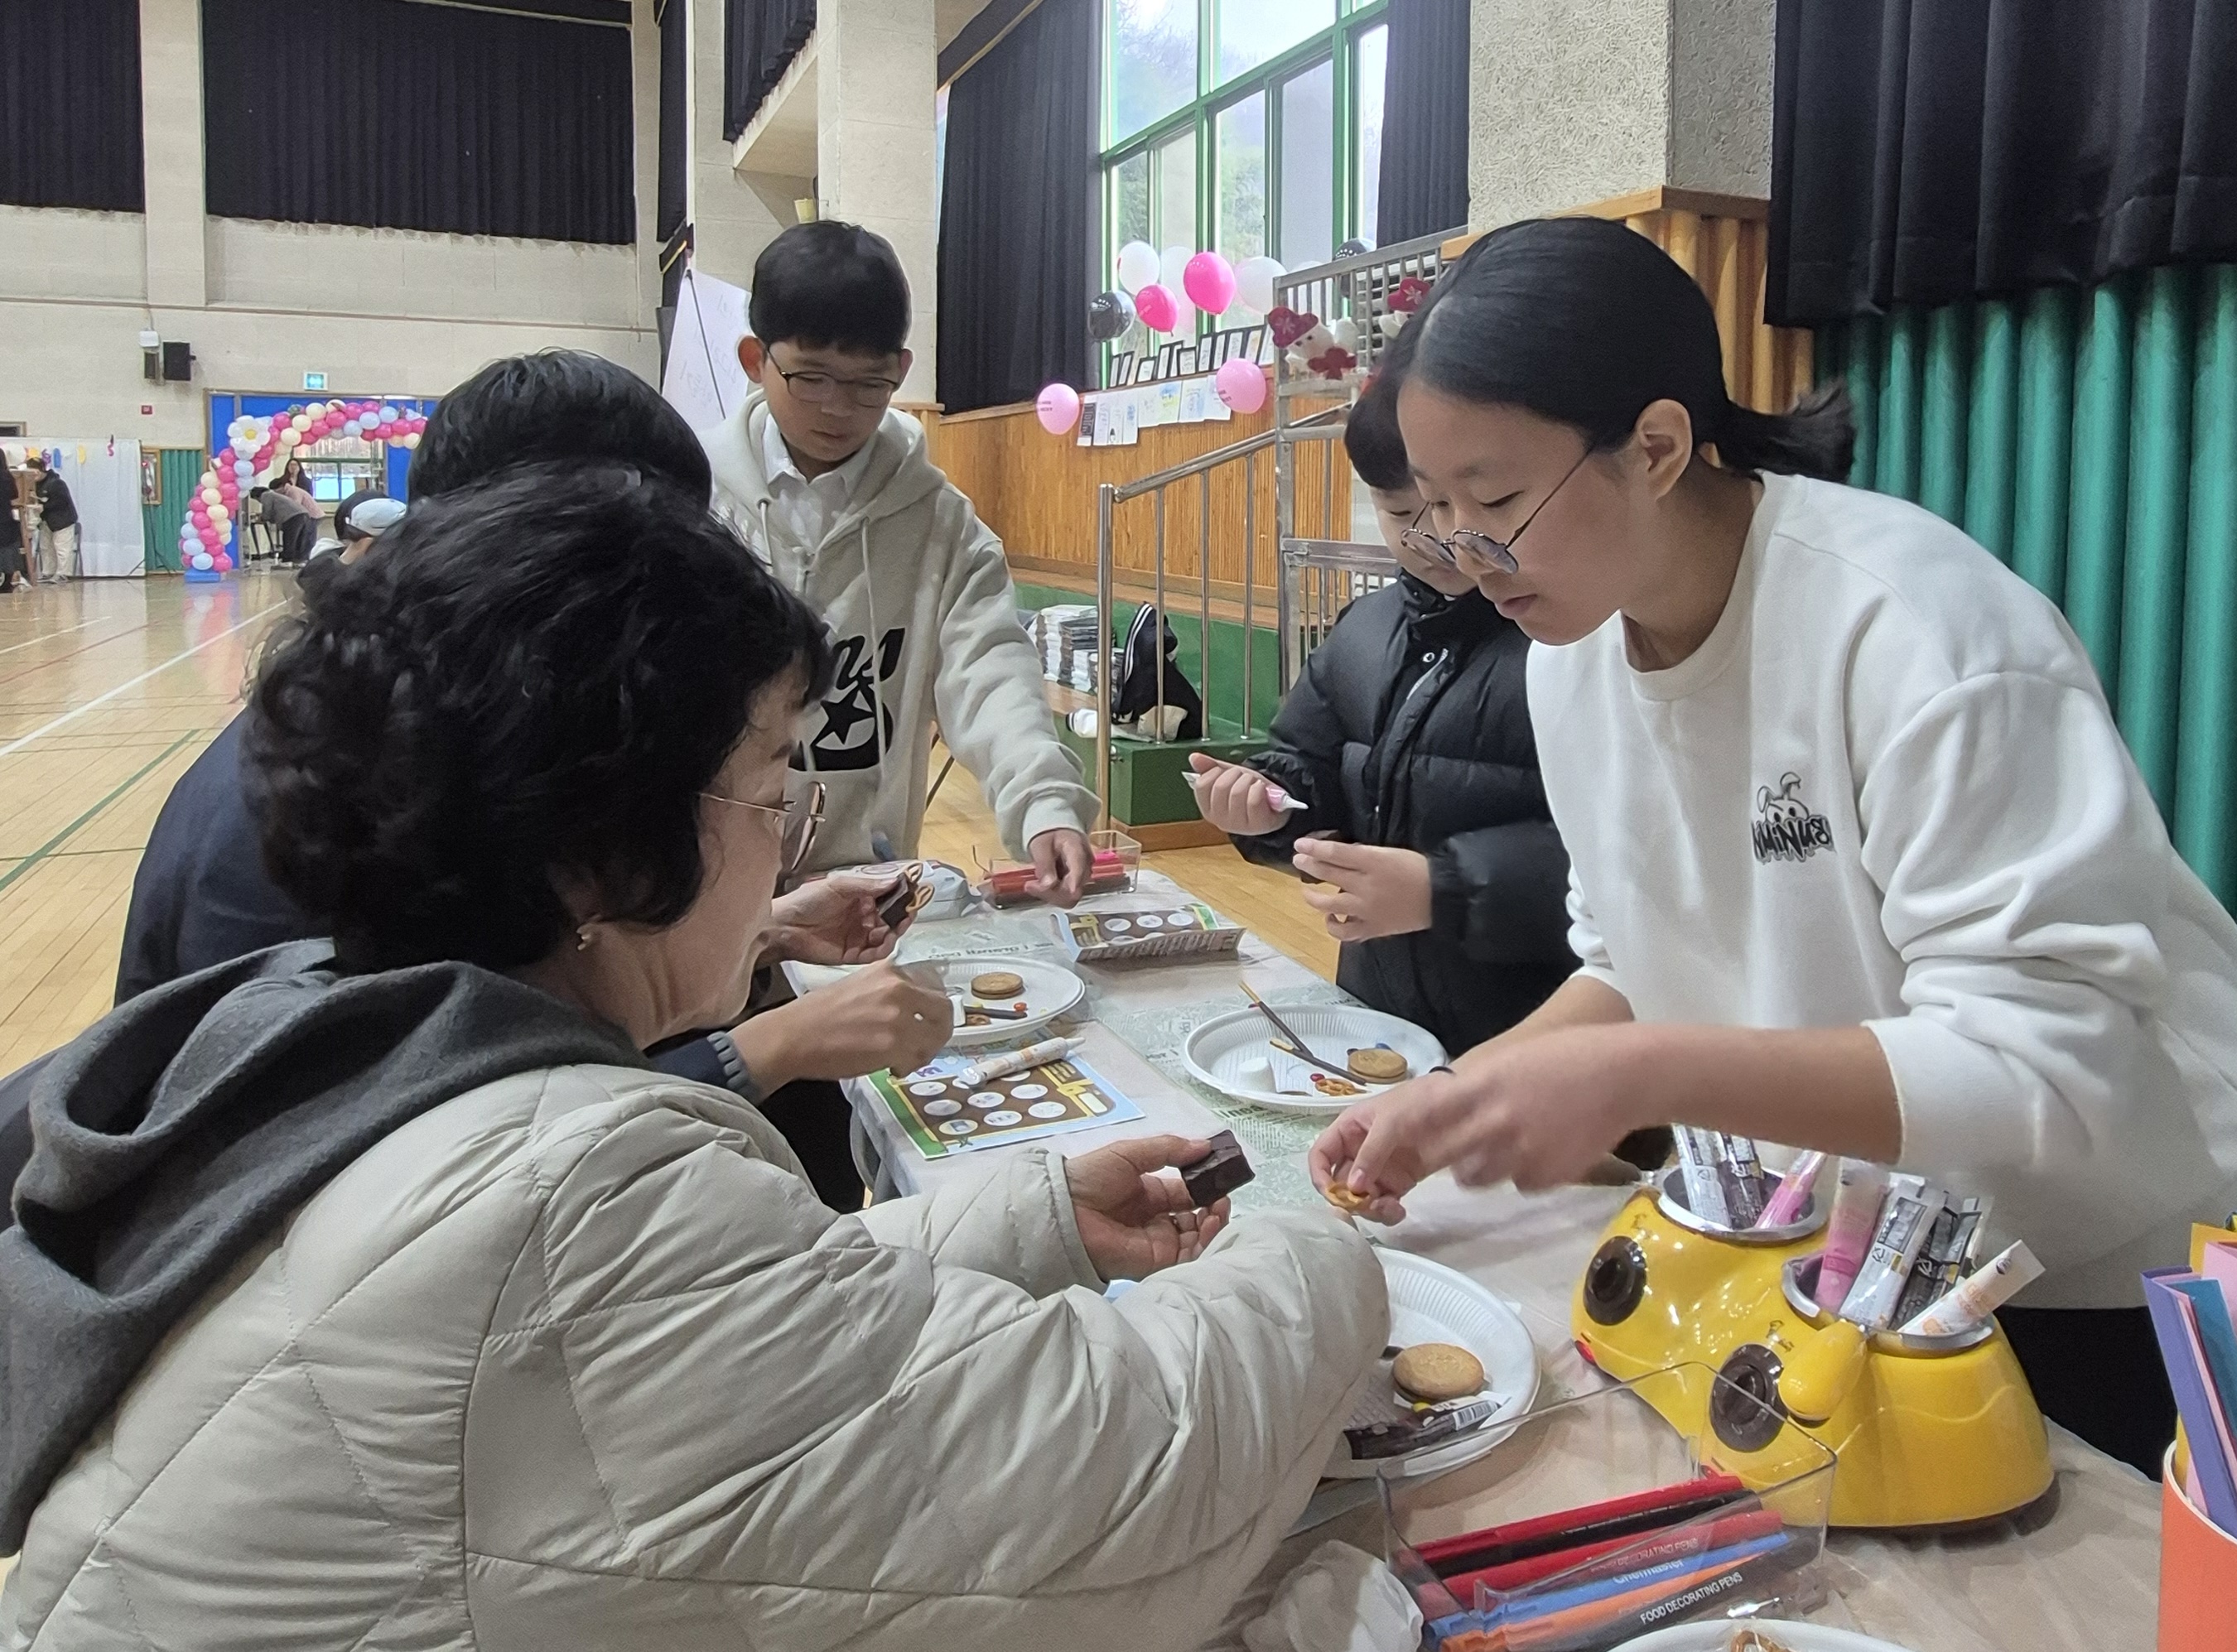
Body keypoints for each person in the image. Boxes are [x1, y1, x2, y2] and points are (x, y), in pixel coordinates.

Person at [0, 468, 1383, 1646]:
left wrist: (1033, 1221)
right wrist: (1318, 1247)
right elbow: (1129, 1485)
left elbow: (731, 1338)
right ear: (601, 848)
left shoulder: (324, 1030)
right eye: (773, 791)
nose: (787, 849)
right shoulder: (573, 1200)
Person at [1308, 218, 2237, 1471]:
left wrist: (1642, 1076)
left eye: (1498, 502)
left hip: (2105, 1281)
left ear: (1655, 447)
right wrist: (1459, 1094)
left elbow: (2047, 1067)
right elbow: (1631, 962)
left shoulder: (1915, 630)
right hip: (1851, 1260)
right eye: (1436, 513)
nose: (1464, 559)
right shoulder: (1571, 661)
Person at [113, 349, 946, 1205]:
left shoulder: (388, 731)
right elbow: (444, 1163)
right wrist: (766, 1047)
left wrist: (757, 929)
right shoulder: (331, 815)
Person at [704, 219, 1099, 903]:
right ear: (753, 358)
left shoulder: (941, 524)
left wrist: (1043, 800)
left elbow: (991, 671)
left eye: (868, 384)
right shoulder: (696, 501)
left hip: (861, 885)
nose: (838, 408)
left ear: (902, 371)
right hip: (706, 884)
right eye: (811, 377)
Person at [1186, 379, 1575, 1056]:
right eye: (1399, 512)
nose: (1433, 539)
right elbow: (1309, 765)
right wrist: (1269, 806)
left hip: (1535, 1035)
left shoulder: (1570, 636)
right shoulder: (1364, 629)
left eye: (1450, 507)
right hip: (1378, 1012)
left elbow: (1630, 861)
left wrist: (1443, 889)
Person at [27, 455, 75, 582]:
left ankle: (63, 574)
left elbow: (61, 502)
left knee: (62, 548)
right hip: (46, 521)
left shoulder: (57, 483)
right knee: (46, 547)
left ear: (41, 470)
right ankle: (48, 572)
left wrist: (44, 507)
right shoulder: (35, 485)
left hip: (63, 520)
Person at [0, 459, 27, 593]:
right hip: (5, 516)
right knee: (7, 549)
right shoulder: (7, 476)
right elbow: (14, 495)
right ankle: (7, 580)